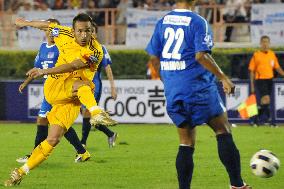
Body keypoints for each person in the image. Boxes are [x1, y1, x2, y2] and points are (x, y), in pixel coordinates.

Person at [145, 0, 251, 189]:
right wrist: (223, 78)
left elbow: (154, 57)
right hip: (197, 88)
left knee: (186, 142)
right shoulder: (197, 21)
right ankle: (237, 185)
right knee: (223, 129)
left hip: (174, 90)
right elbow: (201, 55)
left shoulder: (163, 21)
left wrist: (168, 81)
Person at [4, 13, 118, 187]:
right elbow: (46, 26)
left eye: (88, 31)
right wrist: (25, 23)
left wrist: (43, 71)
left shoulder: (96, 51)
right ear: (73, 30)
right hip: (56, 87)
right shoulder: (64, 33)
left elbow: (74, 65)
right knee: (84, 84)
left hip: (71, 101)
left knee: (53, 139)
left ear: (93, 30)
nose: (84, 35)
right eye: (80, 31)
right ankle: (96, 113)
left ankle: (20, 172)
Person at [16, 18, 91, 164]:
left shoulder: (62, 47)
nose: (51, 33)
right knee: (50, 122)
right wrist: (25, 82)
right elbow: (37, 68)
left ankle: (34, 155)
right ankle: (82, 151)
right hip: (49, 91)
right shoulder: (43, 47)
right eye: (48, 30)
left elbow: (71, 66)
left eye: (53, 30)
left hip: (60, 90)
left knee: (47, 121)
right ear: (45, 31)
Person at [81, 22, 118, 148]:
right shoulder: (79, 47)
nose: (90, 33)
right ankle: (110, 134)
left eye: (92, 31)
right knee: (90, 117)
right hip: (81, 85)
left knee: (87, 112)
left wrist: (113, 88)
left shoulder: (101, 48)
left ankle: (82, 144)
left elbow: (107, 68)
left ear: (95, 34)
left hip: (94, 85)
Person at [249, 35, 284, 127]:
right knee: (266, 99)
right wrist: (252, 85)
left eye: (267, 42)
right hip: (260, 79)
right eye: (263, 42)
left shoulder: (272, 54)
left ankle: (255, 120)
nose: (265, 44)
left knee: (264, 101)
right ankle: (270, 121)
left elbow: (277, 67)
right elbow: (252, 71)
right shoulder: (256, 55)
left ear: (269, 43)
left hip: (269, 80)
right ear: (260, 43)